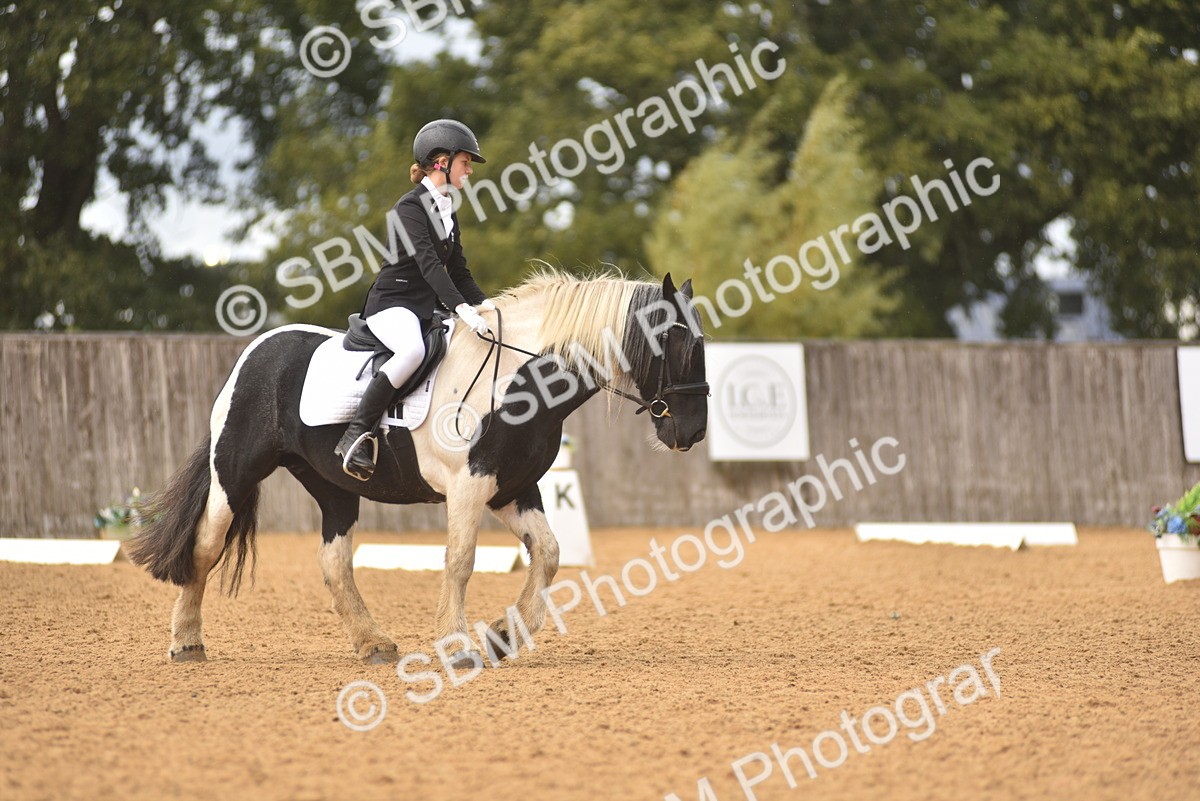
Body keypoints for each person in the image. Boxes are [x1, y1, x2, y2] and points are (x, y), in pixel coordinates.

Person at [335, 118, 494, 481]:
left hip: (425, 309)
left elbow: (459, 271)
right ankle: (356, 432)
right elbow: (429, 265)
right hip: (392, 304)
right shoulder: (409, 207)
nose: (470, 170)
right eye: (465, 162)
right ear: (441, 162)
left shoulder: (448, 209)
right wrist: (462, 309)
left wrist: (488, 307)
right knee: (412, 352)